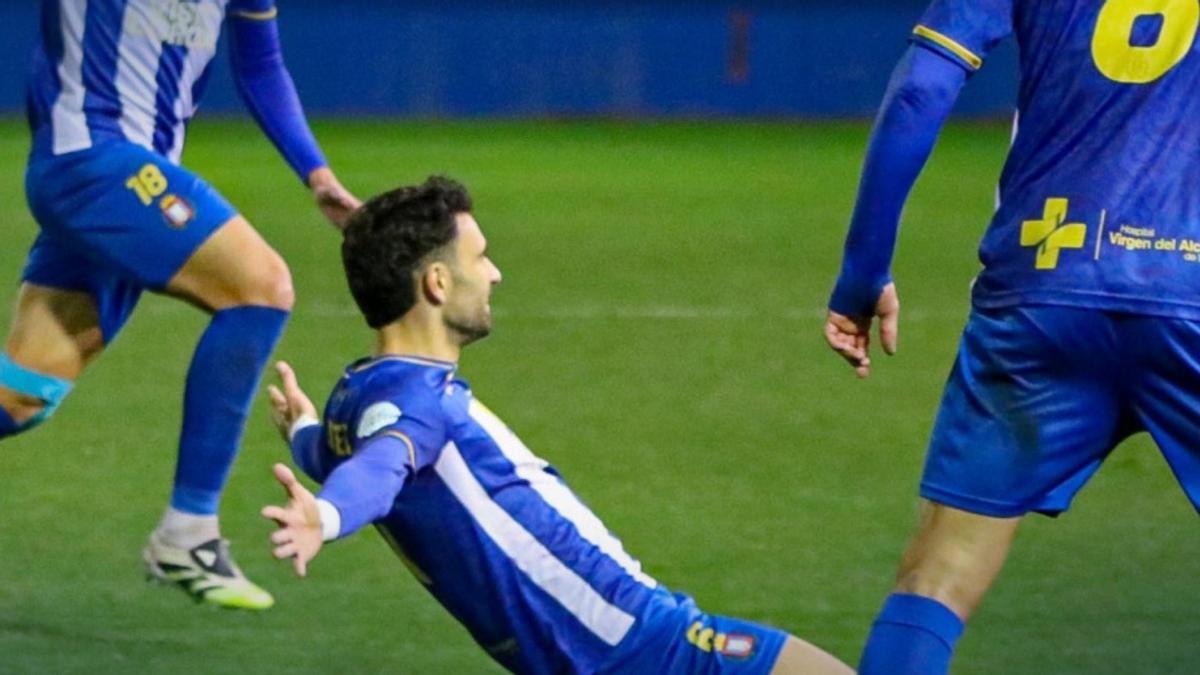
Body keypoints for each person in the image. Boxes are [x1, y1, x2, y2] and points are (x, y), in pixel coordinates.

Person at [261, 177, 852, 674]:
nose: (495, 274)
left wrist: (304, 431)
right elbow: (381, 467)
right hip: (639, 645)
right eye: (481, 257)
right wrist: (328, 516)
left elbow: (343, 459)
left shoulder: (356, 393)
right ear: (437, 284)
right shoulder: (421, 405)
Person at [826, 0, 1200, 672]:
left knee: (937, 575)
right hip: (1190, 292)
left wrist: (864, 270)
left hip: (1043, 279)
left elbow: (921, 88)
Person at [6, 0, 360, 609]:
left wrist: (317, 174)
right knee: (262, 286)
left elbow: (261, 63)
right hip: (90, 162)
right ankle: (188, 532)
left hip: (136, 177)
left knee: (19, 399)